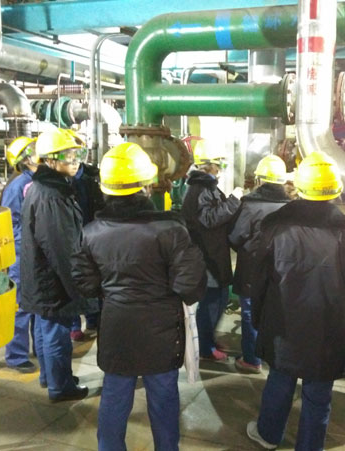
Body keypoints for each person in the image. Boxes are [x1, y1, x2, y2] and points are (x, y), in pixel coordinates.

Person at [71, 143, 206, 451]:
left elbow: (86, 285)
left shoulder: (91, 232)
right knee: (164, 398)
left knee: (115, 398)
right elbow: (190, 286)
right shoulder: (171, 230)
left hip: (117, 328)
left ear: (105, 189)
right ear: (146, 186)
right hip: (162, 332)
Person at [246, 151, 345, 451]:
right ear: (336, 190)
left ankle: (268, 435)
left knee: (280, 382)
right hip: (329, 331)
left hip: (283, 325)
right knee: (318, 396)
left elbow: (259, 280)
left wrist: (259, 319)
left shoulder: (274, 228)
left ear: (298, 188)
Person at [19, 128, 94, 402]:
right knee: (56, 333)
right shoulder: (52, 196)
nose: (75, 161)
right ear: (50, 160)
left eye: (76, 154)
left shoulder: (46, 188)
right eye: (67, 156)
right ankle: (61, 387)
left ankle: (50, 377)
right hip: (53, 281)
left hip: (42, 277)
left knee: (45, 327)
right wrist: (79, 287)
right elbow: (63, 249)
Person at [180, 140, 243, 361]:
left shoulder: (207, 187)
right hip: (206, 257)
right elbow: (207, 219)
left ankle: (209, 340)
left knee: (220, 298)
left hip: (214, 253)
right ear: (209, 165)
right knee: (211, 303)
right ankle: (205, 348)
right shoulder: (199, 189)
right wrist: (234, 201)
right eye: (220, 164)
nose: (221, 169)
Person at [228, 155, 290, 374]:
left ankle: (252, 360)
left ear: (259, 180)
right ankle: (275, 358)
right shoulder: (291, 207)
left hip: (251, 270)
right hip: (281, 271)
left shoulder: (249, 205)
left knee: (250, 314)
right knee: (276, 313)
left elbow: (235, 236)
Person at [3, 136, 39, 374]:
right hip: (21, 254)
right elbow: (11, 222)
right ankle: (16, 356)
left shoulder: (36, 182)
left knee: (36, 303)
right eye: (34, 151)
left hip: (33, 252)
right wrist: (26, 246)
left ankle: (38, 348)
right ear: (25, 160)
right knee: (21, 305)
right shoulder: (18, 186)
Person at [69, 161, 105, 341]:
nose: (73, 159)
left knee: (92, 275)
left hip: (91, 233)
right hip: (72, 236)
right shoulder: (61, 182)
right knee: (74, 279)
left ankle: (93, 318)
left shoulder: (91, 177)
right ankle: (75, 324)